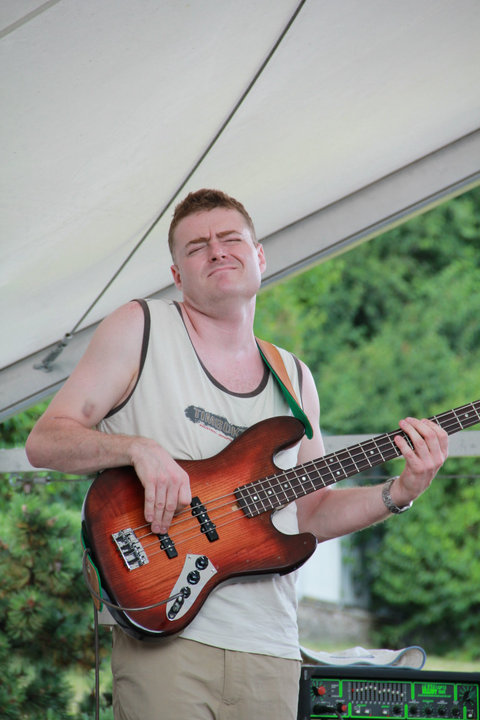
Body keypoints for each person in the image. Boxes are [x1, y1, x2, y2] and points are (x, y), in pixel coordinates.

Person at [26, 188, 448, 720]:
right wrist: (137, 449)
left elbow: (312, 512)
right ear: (177, 275)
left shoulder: (293, 375)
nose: (217, 251)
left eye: (230, 238)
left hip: (271, 648)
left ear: (259, 256)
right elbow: (46, 440)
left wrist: (401, 491)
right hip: (167, 640)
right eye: (197, 246)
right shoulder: (141, 326)